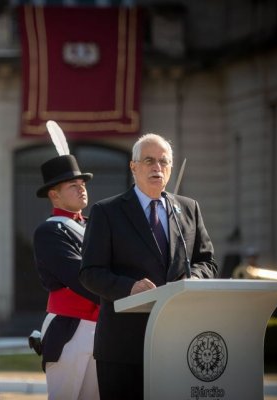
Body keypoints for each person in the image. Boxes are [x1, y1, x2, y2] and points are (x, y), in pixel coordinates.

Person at [79, 133, 217, 400]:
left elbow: (207, 261)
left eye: (164, 162)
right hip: (124, 347)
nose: (157, 168)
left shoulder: (189, 209)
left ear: (171, 168)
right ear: (133, 167)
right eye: (149, 161)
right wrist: (130, 287)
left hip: (178, 341)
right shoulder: (107, 212)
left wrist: (193, 279)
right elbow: (90, 273)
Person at [32, 154, 100, 400]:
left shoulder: (95, 225)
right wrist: (121, 292)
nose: (81, 189)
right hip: (70, 329)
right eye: (73, 185)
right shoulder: (49, 231)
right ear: (54, 194)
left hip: (102, 327)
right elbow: (79, 276)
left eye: (82, 184)